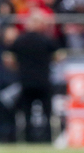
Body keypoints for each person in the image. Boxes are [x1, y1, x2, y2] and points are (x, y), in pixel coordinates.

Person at [7, 12, 61, 142]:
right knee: (47, 114)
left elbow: (8, 59)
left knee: (26, 114)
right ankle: (47, 140)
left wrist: (19, 68)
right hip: (43, 81)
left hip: (26, 81)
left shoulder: (20, 40)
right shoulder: (47, 40)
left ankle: (28, 140)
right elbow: (59, 57)